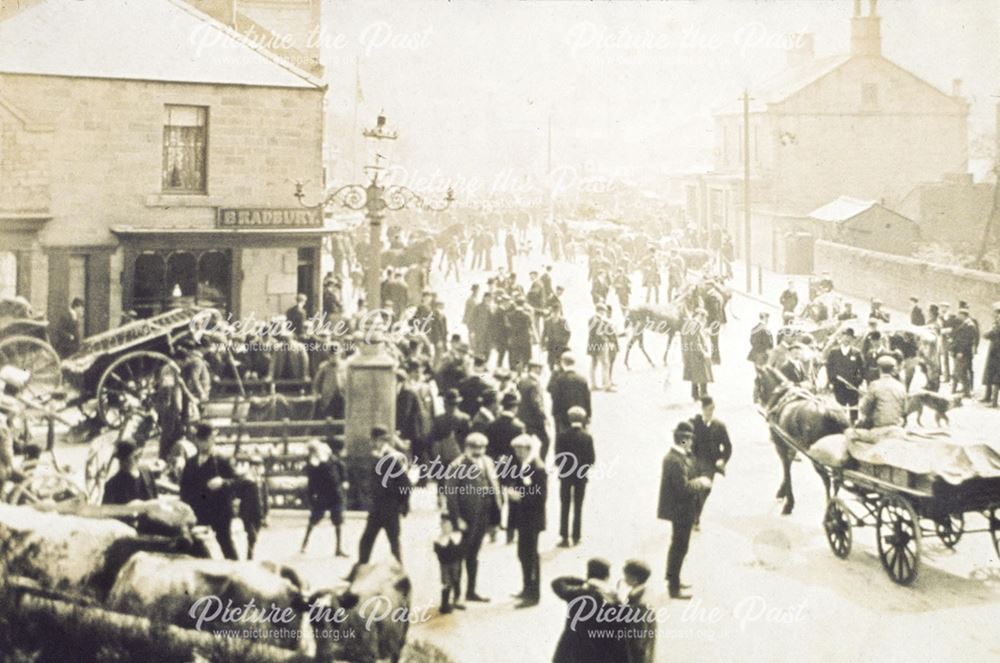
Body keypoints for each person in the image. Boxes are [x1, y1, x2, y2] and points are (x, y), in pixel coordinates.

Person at [444, 432, 501, 603]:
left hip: (483, 515)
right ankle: (457, 595)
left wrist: (495, 517)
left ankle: (471, 591)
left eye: (481, 448)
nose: (478, 452)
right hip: (466, 518)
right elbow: (451, 495)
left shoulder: (488, 462)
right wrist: (457, 519)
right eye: (474, 449)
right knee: (460, 555)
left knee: (474, 555)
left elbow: (495, 486)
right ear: (466, 448)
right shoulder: (457, 466)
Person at [657, 421, 712, 599]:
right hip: (680, 511)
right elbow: (683, 488)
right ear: (683, 440)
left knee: (680, 547)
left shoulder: (683, 457)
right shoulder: (674, 460)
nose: (691, 443)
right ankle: (673, 587)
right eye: (689, 440)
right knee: (679, 547)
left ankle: (674, 578)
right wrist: (701, 482)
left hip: (683, 510)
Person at [180, 423, 239, 560]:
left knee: (225, 542)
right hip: (198, 510)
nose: (206, 443)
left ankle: (237, 569)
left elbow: (237, 483)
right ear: (197, 441)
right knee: (195, 543)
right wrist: (185, 508)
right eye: (202, 440)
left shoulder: (223, 460)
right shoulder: (191, 462)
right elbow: (184, 488)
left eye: (209, 439)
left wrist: (223, 483)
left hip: (220, 510)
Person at [551, 558, 627, 663]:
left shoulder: (577, 593)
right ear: (607, 576)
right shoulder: (613, 599)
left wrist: (585, 581)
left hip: (572, 648)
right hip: (598, 650)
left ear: (588, 573)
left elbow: (558, 582)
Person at [358, 427, 411, 564]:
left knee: (393, 542)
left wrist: (403, 504)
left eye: (378, 440)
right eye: (375, 440)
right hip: (377, 507)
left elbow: (405, 483)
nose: (375, 443)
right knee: (366, 541)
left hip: (390, 507)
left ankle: (400, 574)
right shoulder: (376, 456)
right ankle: (360, 571)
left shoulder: (392, 457)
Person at [508, 434, 547, 608]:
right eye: (516, 450)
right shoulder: (524, 465)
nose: (518, 453)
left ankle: (533, 595)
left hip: (532, 519)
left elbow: (540, 497)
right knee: (523, 554)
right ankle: (526, 588)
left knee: (530, 556)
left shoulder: (537, 468)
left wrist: (520, 497)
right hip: (524, 518)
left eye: (521, 449)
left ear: (528, 449)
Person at [301, 438, 348, 557]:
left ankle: (338, 548)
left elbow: (341, 466)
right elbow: (311, 483)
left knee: (338, 521)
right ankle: (304, 544)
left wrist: (344, 480)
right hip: (322, 495)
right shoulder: (312, 464)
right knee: (314, 519)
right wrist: (311, 499)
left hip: (334, 493)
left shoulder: (330, 458)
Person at [554, 405, 594, 547]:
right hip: (581, 477)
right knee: (578, 506)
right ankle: (576, 536)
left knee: (565, 506)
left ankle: (564, 536)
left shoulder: (562, 436)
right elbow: (591, 459)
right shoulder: (587, 437)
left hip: (565, 476)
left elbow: (558, 458)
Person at [689, 396, 731, 529]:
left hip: (709, 464)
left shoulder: (719, 426)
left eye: (712, 409)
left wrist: (722, 459)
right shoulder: (693, 423)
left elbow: (728, 446)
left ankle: (695, 517)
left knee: (705, 490)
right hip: (694, 462)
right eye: (707, 410)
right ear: (702, 409)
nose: (710, 412)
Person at [548, 353, 592, 437]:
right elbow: (587, 399)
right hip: (580, 415)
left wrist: (555, 415)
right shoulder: (582, 379)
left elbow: (555, 399)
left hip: (563, 417)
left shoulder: (559, 380)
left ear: (563, 363)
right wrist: (588, 415)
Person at [102, 440, 157, 505]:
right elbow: (107, 511)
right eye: (134, 457)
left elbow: (155, 499)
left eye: (138, 456)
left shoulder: (147, 473)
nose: (137, 459)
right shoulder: (112, 484)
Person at [621, 559, 656, 663]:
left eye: (626, 576)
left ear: (634, 579)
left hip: (638, 654)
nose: (624, 579)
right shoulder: (645, 591)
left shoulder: (640, 604)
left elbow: (638, 637)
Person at [427, 389, 470, 472]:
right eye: (451, 404)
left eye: (453, 404)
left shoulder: (463, 419)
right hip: (450, 460)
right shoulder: (439, 420)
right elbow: (431, 442)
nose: (451, 407)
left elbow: (430, 443)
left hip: (453, 461)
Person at [826, 330, 864, 422]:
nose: (847, 339)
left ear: (852, 339)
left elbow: (862, 368)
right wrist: (832, 381)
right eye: (845, 336)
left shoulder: (856, 352)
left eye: (849, 337)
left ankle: (854, 426)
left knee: (853, 408)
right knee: (840, 408)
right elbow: (829, 368)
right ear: (841, 338)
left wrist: (858, 381)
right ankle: (840, 426)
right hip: (838, 385)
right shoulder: (834, 352)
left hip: (852, 386)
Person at [859, 356, 907, 428]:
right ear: (892, 370)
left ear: (879, 369)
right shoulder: (901, 386)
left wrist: (864, 397)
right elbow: (905, 410)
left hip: (879, 428)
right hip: (897, 427)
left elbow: (864, 409)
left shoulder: (874, 385)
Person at [434, 516, 465, 614]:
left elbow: (461, 550)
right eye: (444, 526)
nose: (446, 529)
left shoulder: (457, 537)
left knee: (456, 580)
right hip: (445, 565)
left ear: (452, 527)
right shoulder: (439, 540)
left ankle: (457, 599)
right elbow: (437, 552)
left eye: (448, 526)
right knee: (446, 583)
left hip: (455, 563)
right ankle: (444, 604)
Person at [681, 308, 713, 400]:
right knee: (703, 375)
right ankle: (703, 394)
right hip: (697, 355)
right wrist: (703, 353)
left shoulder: (690, 324)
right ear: (699, 315)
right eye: (703, 317)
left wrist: (705, 332)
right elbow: (696, 342)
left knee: (695, 375)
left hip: (691, 354)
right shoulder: (696, 325)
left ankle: (695, 395)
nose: (705, 320)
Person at [951, 307, 978, 396]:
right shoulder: (965, 323)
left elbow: (967, 341)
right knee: (958, 371)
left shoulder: (969, 325)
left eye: (960, 315)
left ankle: (967, 392)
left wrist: (961, 351)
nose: (958, 316)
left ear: (963, 315)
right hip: (961, 351)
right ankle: (960, 390)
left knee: (962, 372)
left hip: (964, 352)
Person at [982, 303, 1000, 407]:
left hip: (997, 352)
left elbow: (989, 334)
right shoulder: (996, 323)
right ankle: (988, 397)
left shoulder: (998, 324)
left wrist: (987, 333)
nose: (994, 315)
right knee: (990, 373)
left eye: (996, 313)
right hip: (994, 351)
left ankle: (993, 402)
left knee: (996, 377)